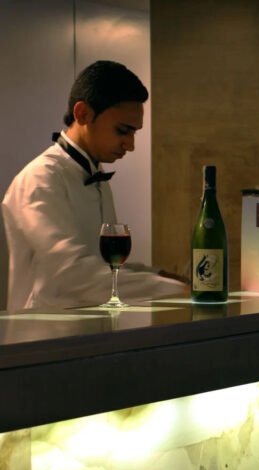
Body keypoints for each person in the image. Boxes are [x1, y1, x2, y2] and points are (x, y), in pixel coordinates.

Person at [1, 60, 186, 310]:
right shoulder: (41, 179)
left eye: (134, 133)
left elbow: (102, 267)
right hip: (43, 339)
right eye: (123, 131)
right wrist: (175, 289)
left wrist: (162, 274)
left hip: (90, 337)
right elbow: (71, 274)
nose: (130, 145)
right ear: (83, 114)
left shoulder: (95, 175)